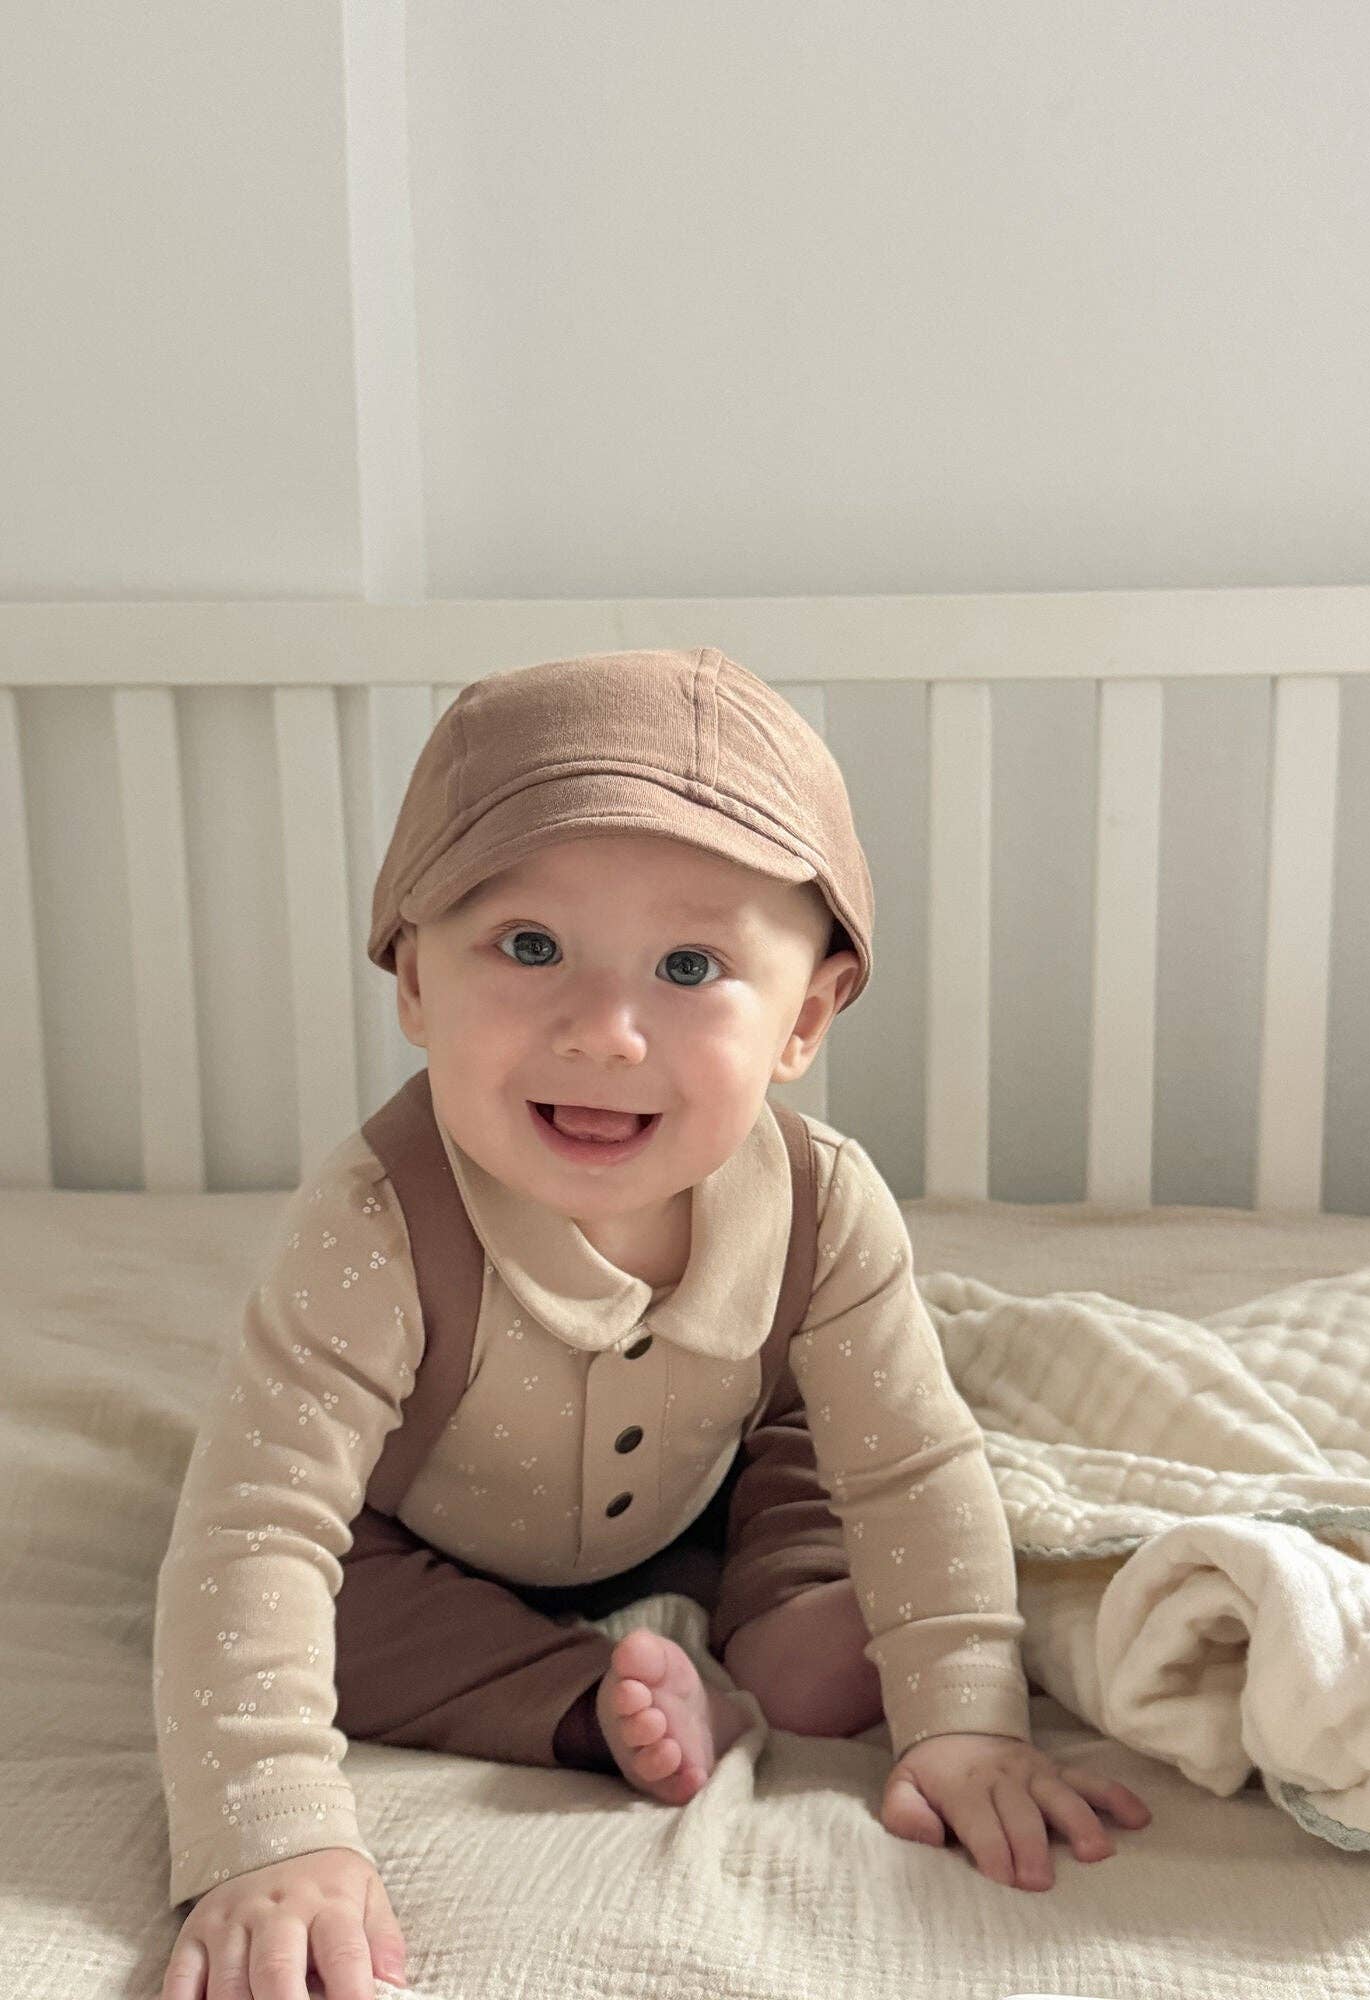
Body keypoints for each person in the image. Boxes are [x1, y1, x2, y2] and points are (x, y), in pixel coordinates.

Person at [154, 647, 1151, 2000]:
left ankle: (776, 1619)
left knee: (825, 1476)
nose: (607, 1030)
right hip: (416, 1525)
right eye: (529, 945)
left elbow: (911, 1463)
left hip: (718, 1468)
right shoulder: (372, 1228)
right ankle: (586, 1704)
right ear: (413, 986)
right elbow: (261, 1525)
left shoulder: (823, 1206)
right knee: (298, 1613)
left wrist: (964, 1715)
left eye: (690, 964)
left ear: (802, 1021)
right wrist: (265, 1833)